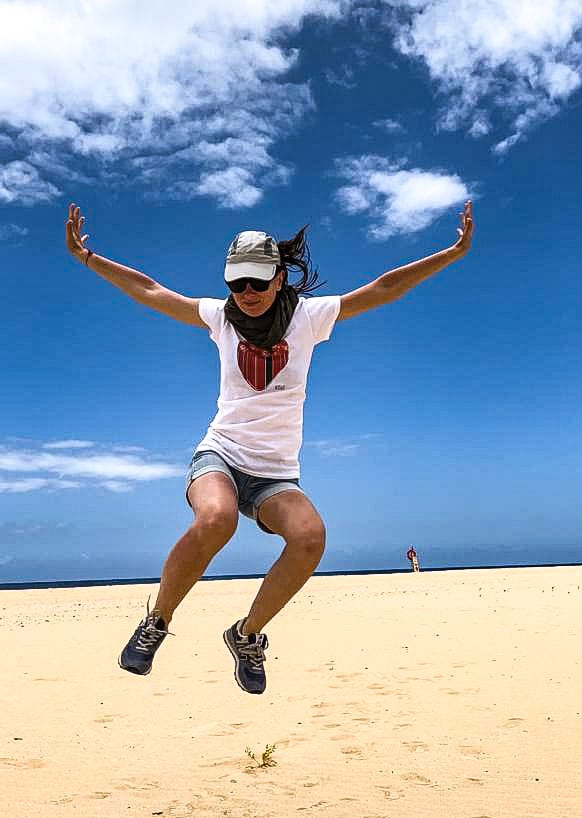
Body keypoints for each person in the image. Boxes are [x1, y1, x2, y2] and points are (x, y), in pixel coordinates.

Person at [65, 199, 474, 695]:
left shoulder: (309, 317)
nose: (248, 292)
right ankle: (157, 621)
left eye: (258, 280)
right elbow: (150, 290)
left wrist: (452, 253)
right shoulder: (220, 318)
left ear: (279, 278)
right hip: (220, 454)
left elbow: (386, 288)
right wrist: (89, 259)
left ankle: (246, 635)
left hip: (275, 473)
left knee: (310, 537)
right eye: (238, 282)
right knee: (218, 518)